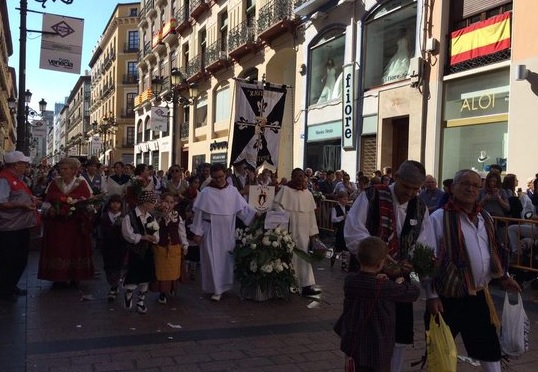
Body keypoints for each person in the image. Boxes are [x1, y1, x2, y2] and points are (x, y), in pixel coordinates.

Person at [344, 160, 434, 371]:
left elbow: (425, 242)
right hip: (368, 276)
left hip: (400, 280)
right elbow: (354, 230)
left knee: (399, 334)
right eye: (407, 187)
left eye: (416, 188)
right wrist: (379, 258)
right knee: (364, 333)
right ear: (396, 178)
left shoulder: (420, 207)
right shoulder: (373, 195)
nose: (411, 193)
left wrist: (409, 264)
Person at [427, 169, 521, 372]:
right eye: (465, 184)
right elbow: (427, 259)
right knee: (440, 350)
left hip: (477, 295)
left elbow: (492, 250)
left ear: (480, 190)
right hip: (446, 297)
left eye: (475, 185)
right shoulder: (438, 218)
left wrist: (503, 277)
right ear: (453, 187)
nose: (470, 189)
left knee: (489, 348)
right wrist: (431, 295)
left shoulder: (484, 217)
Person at [334, 236, 421, 372]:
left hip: (354, 344)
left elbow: (366, 283)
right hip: (379, 347)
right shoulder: (386, 287)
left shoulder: (350, 281)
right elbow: (413, 292)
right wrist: (399, 277)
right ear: (381, 263)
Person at [191, 163, 257, 301]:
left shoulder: (232, 191)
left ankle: (224, 286)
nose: (219, 180)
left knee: (226, 260)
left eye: (221, 176)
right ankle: (216, 289)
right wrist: (197, 232)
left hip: (227, 232)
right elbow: (198, 214)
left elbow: (243, 210)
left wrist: (257, 215)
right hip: (210, 230)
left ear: (225, 175)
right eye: (215, 178)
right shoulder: (206, 193)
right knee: (212, 259)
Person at [38, 157, 95, 288]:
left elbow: (89, 202)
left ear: (74, 170)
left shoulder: (81, 183)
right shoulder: (54, 183)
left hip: (75, 225)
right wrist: (50, 209)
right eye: (61, 169)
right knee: (58, 249)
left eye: (65, 169)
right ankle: (58, 277)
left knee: (75, 249)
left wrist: (80, 208)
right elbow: (46, 201)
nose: (62, 171)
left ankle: (75, 275)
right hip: (57, 225)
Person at [273, 168, 322, 296]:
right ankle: (288, 284)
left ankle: (306, 285)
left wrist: (313, 233)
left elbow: (311, 214)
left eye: (303, 176)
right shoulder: (285, 190)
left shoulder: (308, 194)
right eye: (298, 176)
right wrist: (284, 215)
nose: (301, 178)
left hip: (304, 230)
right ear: (292, 177)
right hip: (289, 228)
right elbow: (276, 205)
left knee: (304, 255)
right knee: (288, 255)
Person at [0, 151, 41, 301]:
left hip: (20, 225)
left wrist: (32, 200)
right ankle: (5, 290)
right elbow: (2, 202)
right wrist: (21, 205)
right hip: (10, 227)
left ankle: (11, 286)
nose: (26, 166)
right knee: (9, 259)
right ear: (16, 165)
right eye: (23, 164)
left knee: (19, 258)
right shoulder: (4, 179)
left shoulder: (16, 179)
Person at [121, 190, 159, 314]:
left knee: (146, 277)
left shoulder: (150, 217)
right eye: (152, 202)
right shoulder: (130, 216)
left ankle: (141, 302)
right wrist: (142, 237)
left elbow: (155, 233)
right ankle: (128, 293)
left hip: (147, 251)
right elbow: (127, 235)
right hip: (135, 252)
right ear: (145, 203)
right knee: (133, 276)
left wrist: (154, 238)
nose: (154, 205)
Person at [151, 192, 188, 305]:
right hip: (161, 247)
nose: (169, 204)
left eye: (171, 202)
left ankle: (171, 288)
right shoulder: (156, 216)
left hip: (174, 247)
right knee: (161, 271)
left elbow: (182, 232)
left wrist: (185, 244)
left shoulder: (177, 217)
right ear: (161, 202)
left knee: (173, 270)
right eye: (166, 201)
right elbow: (153, 230)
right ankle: (162, 292)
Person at [98, 194, 127, 302]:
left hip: (120, 245)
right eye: (113, 202)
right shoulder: (105, 216)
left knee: (117, 266)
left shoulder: (124, 217)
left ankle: (114, 287)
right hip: (107, 246)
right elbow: (101, 231)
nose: (115, 205)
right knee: (108, 267)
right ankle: (113, 284)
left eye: (118, 203)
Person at [330, 191, 351, 270]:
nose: (346, 201)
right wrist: (343, 217)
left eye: (347, 199)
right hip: (339, 229)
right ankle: (334, 255)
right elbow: (333, 219)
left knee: (345, 246)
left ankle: (344, 263)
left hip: (346, 229)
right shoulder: (335, 208)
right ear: (339, 199)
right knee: (339, 246)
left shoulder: (348, 208)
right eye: (344, 199)